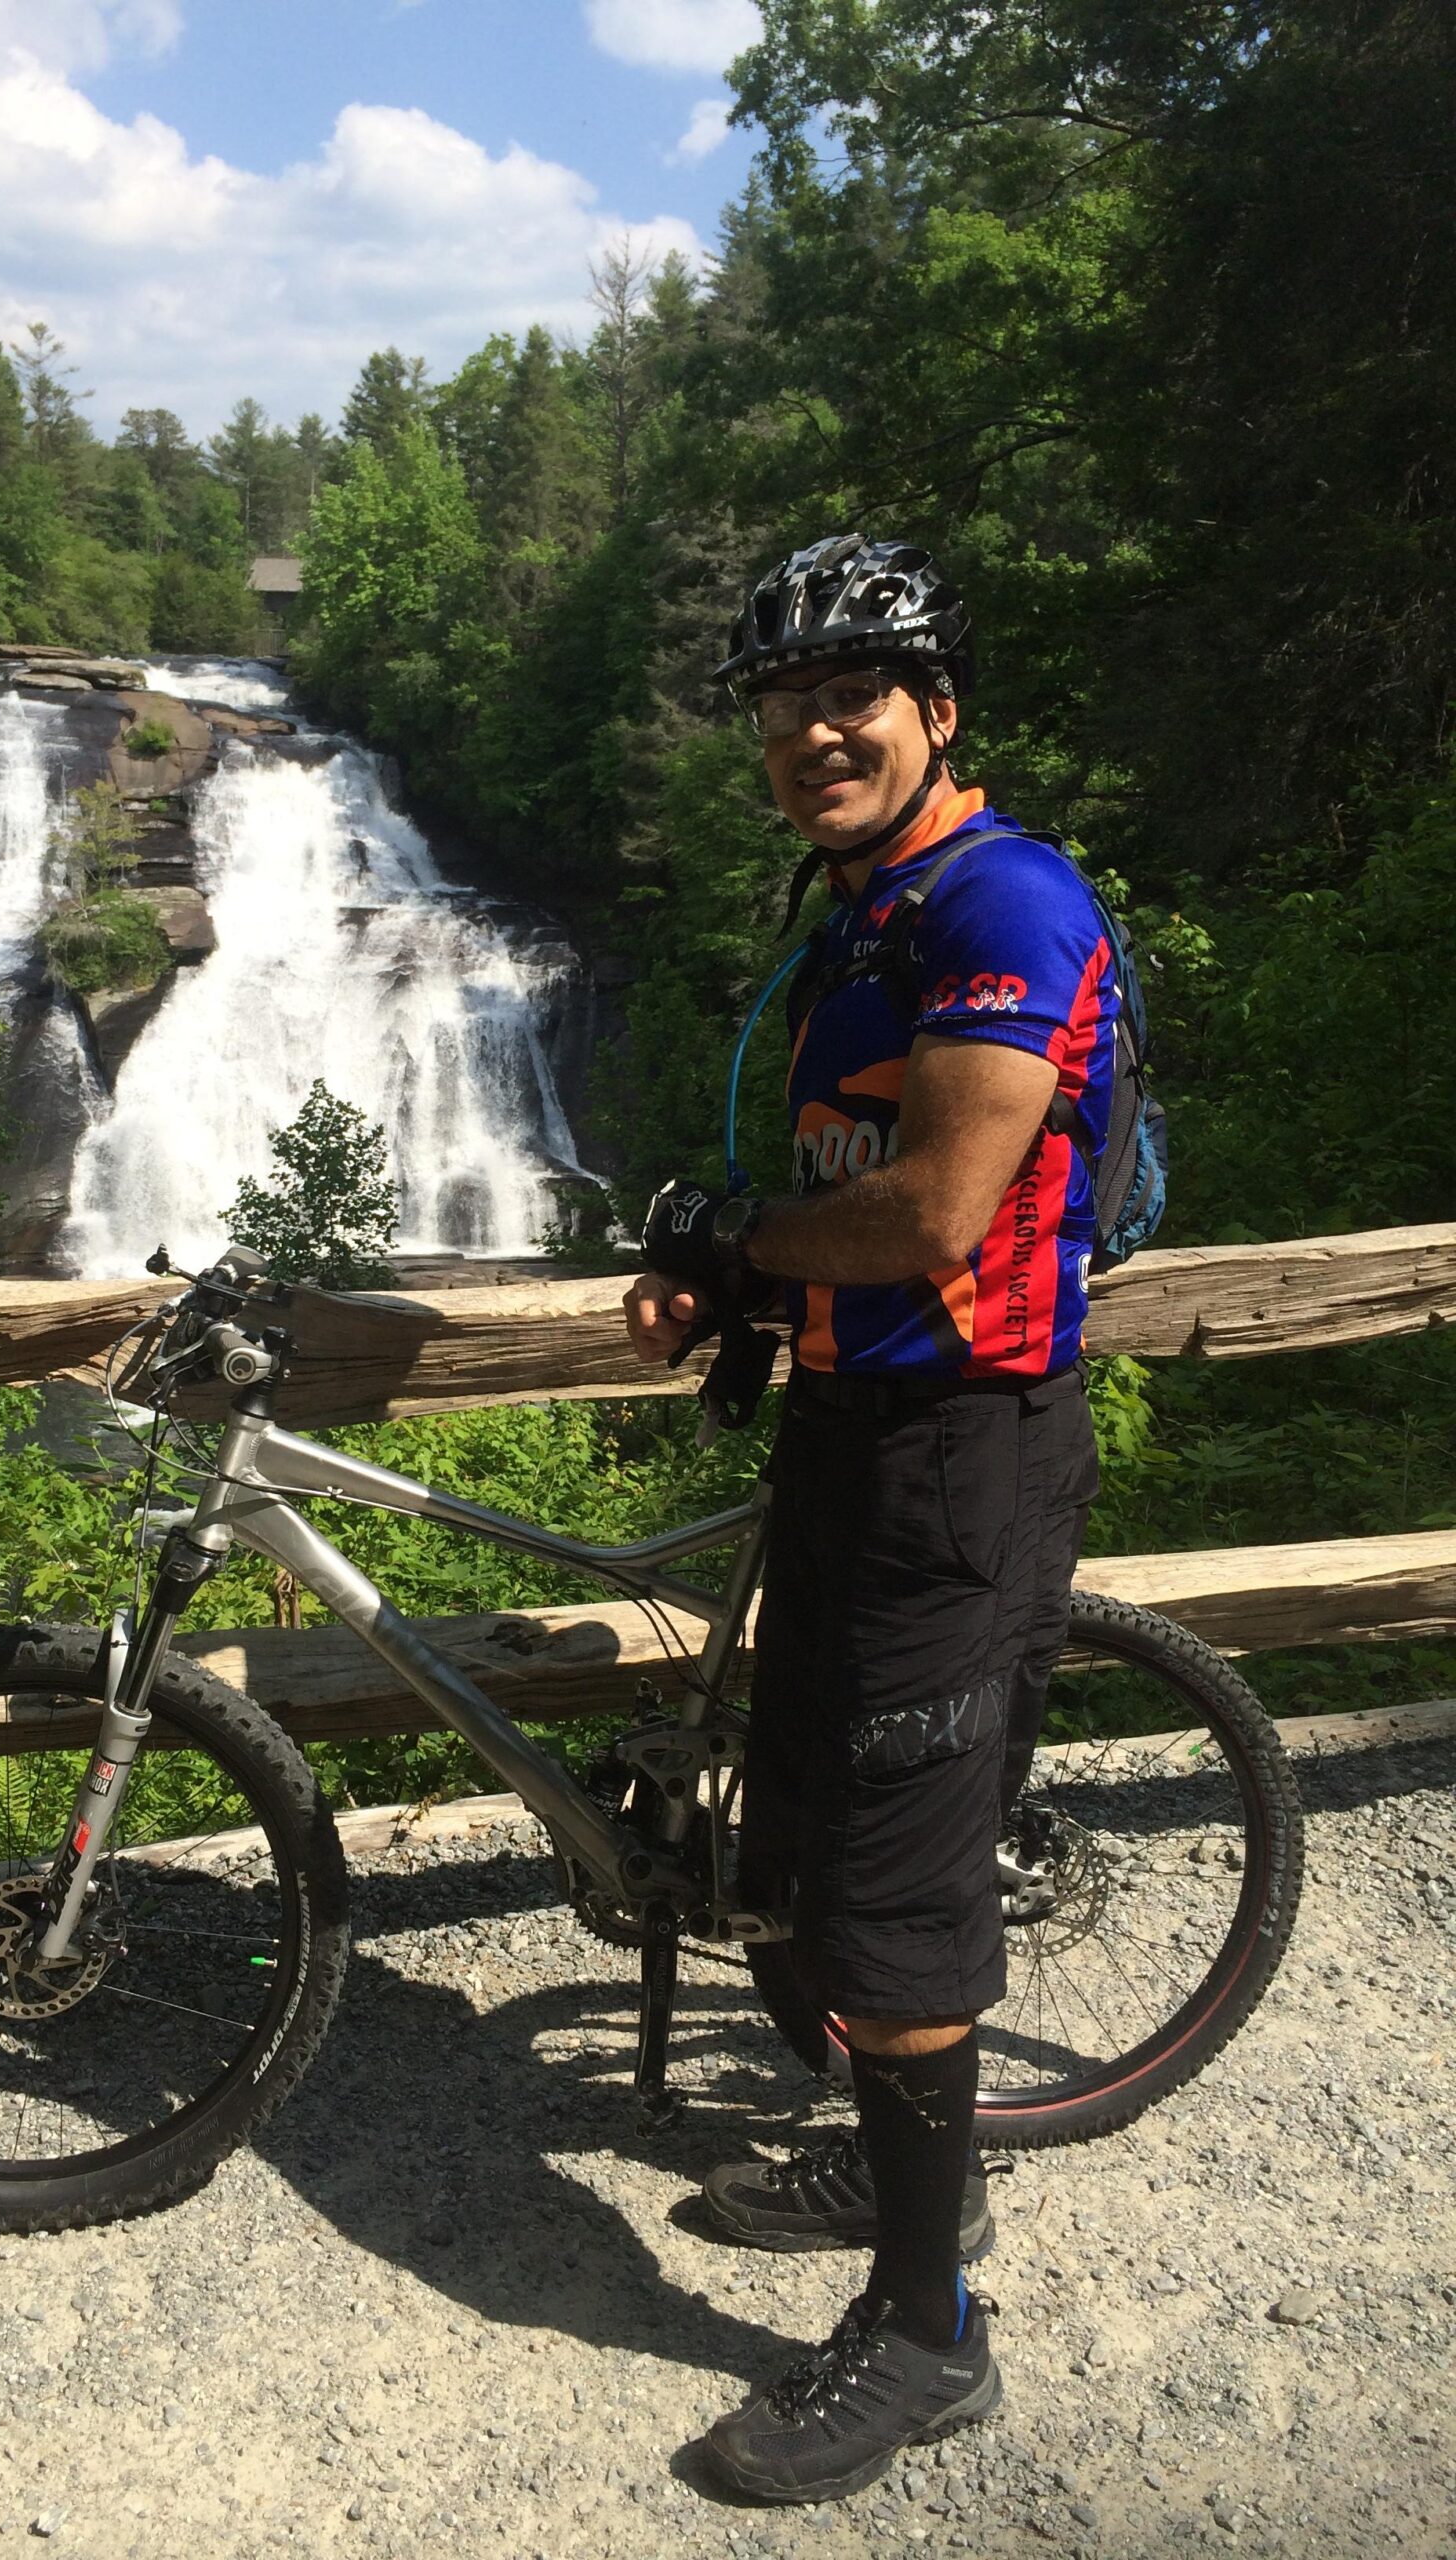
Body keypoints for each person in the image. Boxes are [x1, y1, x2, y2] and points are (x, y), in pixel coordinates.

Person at [623, 534, 1111, 2505]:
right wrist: (740, 1277)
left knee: (901, 1902)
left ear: (938, 712)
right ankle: (907, 2168)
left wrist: (737, 1239)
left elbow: (931, 1213)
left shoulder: (1000, 897)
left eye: (856, 692)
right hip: (854, 1420)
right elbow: (844, 1195)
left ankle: (931, 2333)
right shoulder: (862, 910)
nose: (814, 726)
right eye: (781, 700)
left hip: (961, 1449)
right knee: (811, 1832)